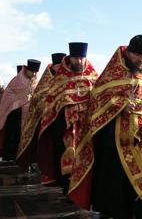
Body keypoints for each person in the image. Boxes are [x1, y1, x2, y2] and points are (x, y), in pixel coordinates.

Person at [69, 35, 142, 219]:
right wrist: (120, 105)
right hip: (112, 137)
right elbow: (97, 100)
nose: (141, 59)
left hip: (141, 138)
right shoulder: (112, 73)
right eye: (137, 54)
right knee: (113, 177)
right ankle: (111, 212)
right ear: (128, 52)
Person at [33, 43, 97, 192]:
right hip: (65, 126)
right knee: (66, 156)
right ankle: (67, 188)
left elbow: (99, 97)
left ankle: (84, 189)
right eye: (75, 58)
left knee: (86, 158)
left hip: (87, 126)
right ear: (70, 58)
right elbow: (52, 102)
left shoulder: (93, 76)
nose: (79, 62)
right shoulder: (61, 78)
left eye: (81, 58)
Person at [17, 52, 66, 170]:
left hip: (60, 117)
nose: (60, 68)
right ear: (53, 66)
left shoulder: (66, 77)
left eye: (62, 66)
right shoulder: (46, 79)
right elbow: (38, 96)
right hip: (41, 116)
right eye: (58, 66)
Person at [0, 59, 41, 162]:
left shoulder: (38, 81)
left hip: (30, 114)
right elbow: (8, 94)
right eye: (31, 71)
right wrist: (18, 102)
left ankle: (25, 157)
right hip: (15, 113)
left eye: (35, 72)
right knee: (13, 135)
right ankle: (10, 156)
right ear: (27, 69)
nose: (33, 74)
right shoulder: (17, 80)